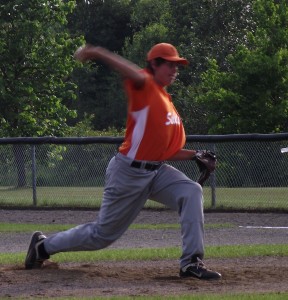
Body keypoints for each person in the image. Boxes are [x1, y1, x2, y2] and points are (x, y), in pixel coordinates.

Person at [25, 42, 221, 280]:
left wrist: (195, 154)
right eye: (169, 64)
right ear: (154, 64)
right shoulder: (145, 85)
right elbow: (128, 70)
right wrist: (97, 52)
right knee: (102, 235)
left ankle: (191, 262)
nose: (175, 69)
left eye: (177, 65)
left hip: (157, 172)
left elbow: (163, 151)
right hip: (128, 173)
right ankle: (42, 247)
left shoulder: (166, 100)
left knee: (191, 191)